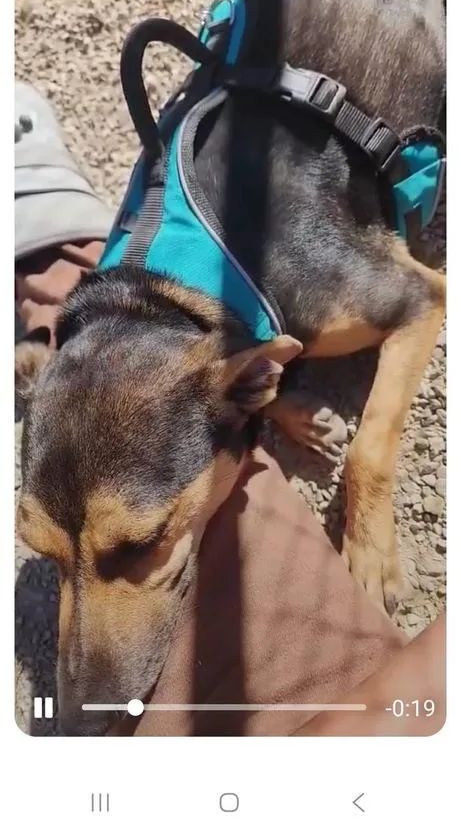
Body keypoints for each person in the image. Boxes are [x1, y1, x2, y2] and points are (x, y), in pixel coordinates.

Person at [15, 83, 446, 737]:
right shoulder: (216, 381)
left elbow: (422, 298)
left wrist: (370, 479)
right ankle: (51, 262)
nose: (77, 652)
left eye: (134, 545)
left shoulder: (312, 310)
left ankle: (43, 248)